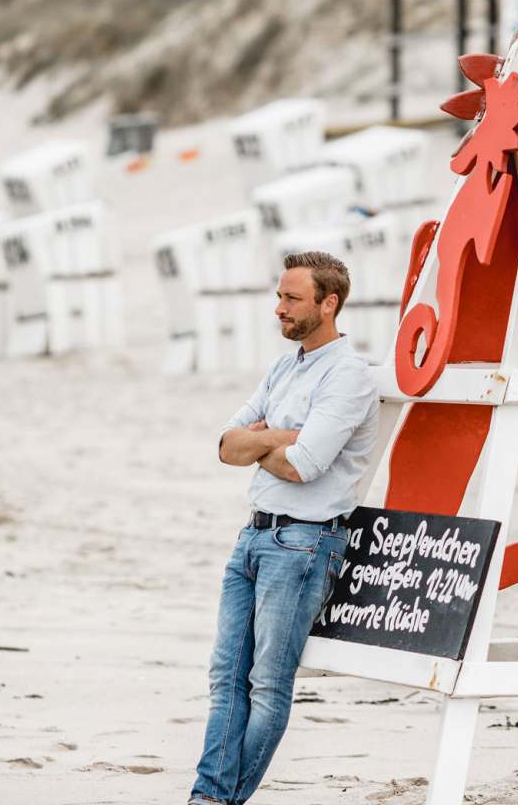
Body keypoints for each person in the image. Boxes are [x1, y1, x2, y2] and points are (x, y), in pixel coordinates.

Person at [188, 250, 380, 805]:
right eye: (279, 297)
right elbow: (226, 446)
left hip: (305, 542)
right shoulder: (283, 367)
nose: (280, 308)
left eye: (292, 298)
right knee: (226, 677)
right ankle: (209, 797)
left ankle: (218, 799)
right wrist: (280, 437)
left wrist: (262, 440)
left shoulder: (348, 375)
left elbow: (305, 466)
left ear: (329, 303)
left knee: (268, 683)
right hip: (253, 536)